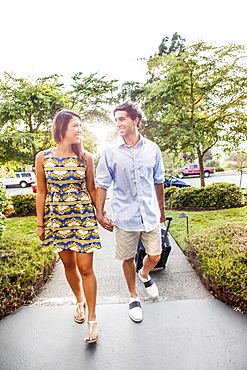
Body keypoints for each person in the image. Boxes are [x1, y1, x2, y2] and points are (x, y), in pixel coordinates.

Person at [96, 101, 165, 322]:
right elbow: (102, 184)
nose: (118, 123)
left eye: (122, 118)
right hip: (124, 216)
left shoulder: (153, 149)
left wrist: (161, 209)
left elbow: (159, 181)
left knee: (155, 255)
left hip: (150, 214)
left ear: (136, 120)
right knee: (127, 257)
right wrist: (100, 212)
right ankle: (133, 296)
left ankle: (144, 274)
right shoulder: (109, 151)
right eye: (116, 120)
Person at [35, 109, 101, 343]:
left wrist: (100, 214)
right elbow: (42, 191)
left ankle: (92, 319)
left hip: (82, 219)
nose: (79, 129)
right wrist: (40, 223)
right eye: (75, 125)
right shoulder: (43, 157)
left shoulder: (86, 158)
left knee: (86, 268)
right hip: (57, 220)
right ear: (62, 128)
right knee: (69, 264)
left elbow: (92, 189)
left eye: (81, 125)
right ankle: (79, 301)